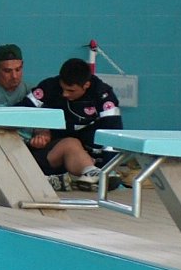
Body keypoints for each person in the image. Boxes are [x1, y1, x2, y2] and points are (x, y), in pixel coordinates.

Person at [20, 57, 122, 190]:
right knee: (71, 143)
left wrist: (109, 166)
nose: (64, 94)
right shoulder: (49, 86)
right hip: (52, 152)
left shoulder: (103, 95)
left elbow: (112, 134)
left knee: (82, 150)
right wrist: (38, 131)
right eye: (63, 88)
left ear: (86, 85)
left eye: (71, 90)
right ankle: (95, 175)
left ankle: (94, 173)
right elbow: (21, 111)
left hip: (89, 155)